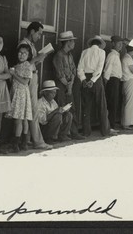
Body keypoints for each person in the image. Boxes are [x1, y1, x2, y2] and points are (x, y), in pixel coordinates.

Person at [18, 21, 52, 150]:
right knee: (33, 110)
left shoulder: (30, 45)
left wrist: (39, 59)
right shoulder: (23, 44)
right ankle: (38, 141)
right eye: (39, 33)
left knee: (31, 110)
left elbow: (30, 64)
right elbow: (22, 65)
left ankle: (28, 140)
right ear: (32, 31)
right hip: (27, 79)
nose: (39, 36)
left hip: (32, 76)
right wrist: (37, 58)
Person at [77, 35, 116, 137]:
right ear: (99, 44)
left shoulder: (84, 52)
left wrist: (83, 80)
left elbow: (80, 68)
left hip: (85, 78)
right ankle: (105, 130)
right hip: (96, 79)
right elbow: (99, 68)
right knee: (102, 106)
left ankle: (86, 131)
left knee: (86, 107)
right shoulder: (101, 52)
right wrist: (93, 80)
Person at [52, 31, 85, 140]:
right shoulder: (59, 55)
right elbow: (60, 74)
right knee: (63, 108)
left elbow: (73, 71)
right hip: (61, 86)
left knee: (72, 108)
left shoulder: (69, 55)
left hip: (69, 85)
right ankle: (62, 134)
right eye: (72, 41)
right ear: (67, 42)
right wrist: (68, 85)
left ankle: (74, 132)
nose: (74, 43)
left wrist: (70, 84)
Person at [6, 44, 33, 153]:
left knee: (19, 119)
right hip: (16, 93)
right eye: (20, 53)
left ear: (28, 55)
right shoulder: (17, 66)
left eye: (25, 53)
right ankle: (23, 143)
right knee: (22, 119)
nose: (22, 55)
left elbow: (25, 82)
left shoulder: (27, 66)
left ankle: (17, 144)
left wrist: (14, 74)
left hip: (21, 94)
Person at [103, 35, 124, 131]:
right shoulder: (112, 55)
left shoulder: (117, 55)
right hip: (112, 81)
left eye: (121, 44)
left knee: (114, 104)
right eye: (118, 44)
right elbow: (107, 70)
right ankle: (110, 127)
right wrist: (106, 83)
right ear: (113, 44)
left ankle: (111, 125)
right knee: (111, 104)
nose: (120, 46)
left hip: (116, 81)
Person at [121, 45, 133, 128]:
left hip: (130, 81)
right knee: (130, 101)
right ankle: (126, 123)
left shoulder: (128, 58)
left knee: (130, 101)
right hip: (130, 81)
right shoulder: (128, 58)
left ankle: (129, 122)